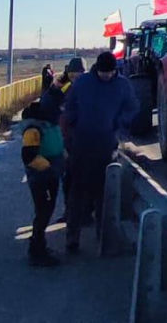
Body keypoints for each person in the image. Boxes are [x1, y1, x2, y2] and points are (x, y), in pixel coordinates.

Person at [63, 51, 137, 252]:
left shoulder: (122, 85)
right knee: (77, 192)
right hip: (82, 143)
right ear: (97, 69)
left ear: (115, 71)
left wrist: (118, 124)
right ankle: (72, 238)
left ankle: (103, 236)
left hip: (106, 144)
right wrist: (74, 125)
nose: (107, 76)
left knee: (103, 193)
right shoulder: (83, 83)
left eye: (110, 72)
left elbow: (131, 108)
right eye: (104, 73)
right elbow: (70, 106)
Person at [18, 101, 64, 266]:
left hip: (50, 175)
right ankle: (37, 250)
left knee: (47, 209)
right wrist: (50, 169)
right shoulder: (34, 129)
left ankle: (39, 244)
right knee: (43, 211)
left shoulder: (49, 125)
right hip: (41, 177)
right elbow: (29, 156)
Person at [40, 57, 85, 221]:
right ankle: (70, 213)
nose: (75, 77)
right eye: (72, 73)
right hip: (66, 142)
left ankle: (83, 214)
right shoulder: (64, 89)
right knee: (68, 180)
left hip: (84, 141)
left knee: (82, 180)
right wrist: (55, 87)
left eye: (78, 73)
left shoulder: (90, 89)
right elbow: (46, 104)